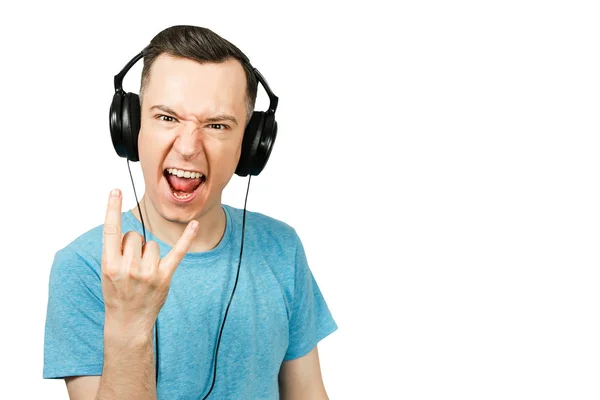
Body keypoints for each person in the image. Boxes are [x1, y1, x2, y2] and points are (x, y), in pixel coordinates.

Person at [43, 25, 337, 399]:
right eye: (167, 118)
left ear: (249, 145)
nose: (187, 147)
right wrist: (130, 324)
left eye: (216, 125)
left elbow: (309, 393)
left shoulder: (281, 248)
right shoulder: (86, 266)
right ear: (131, 127)